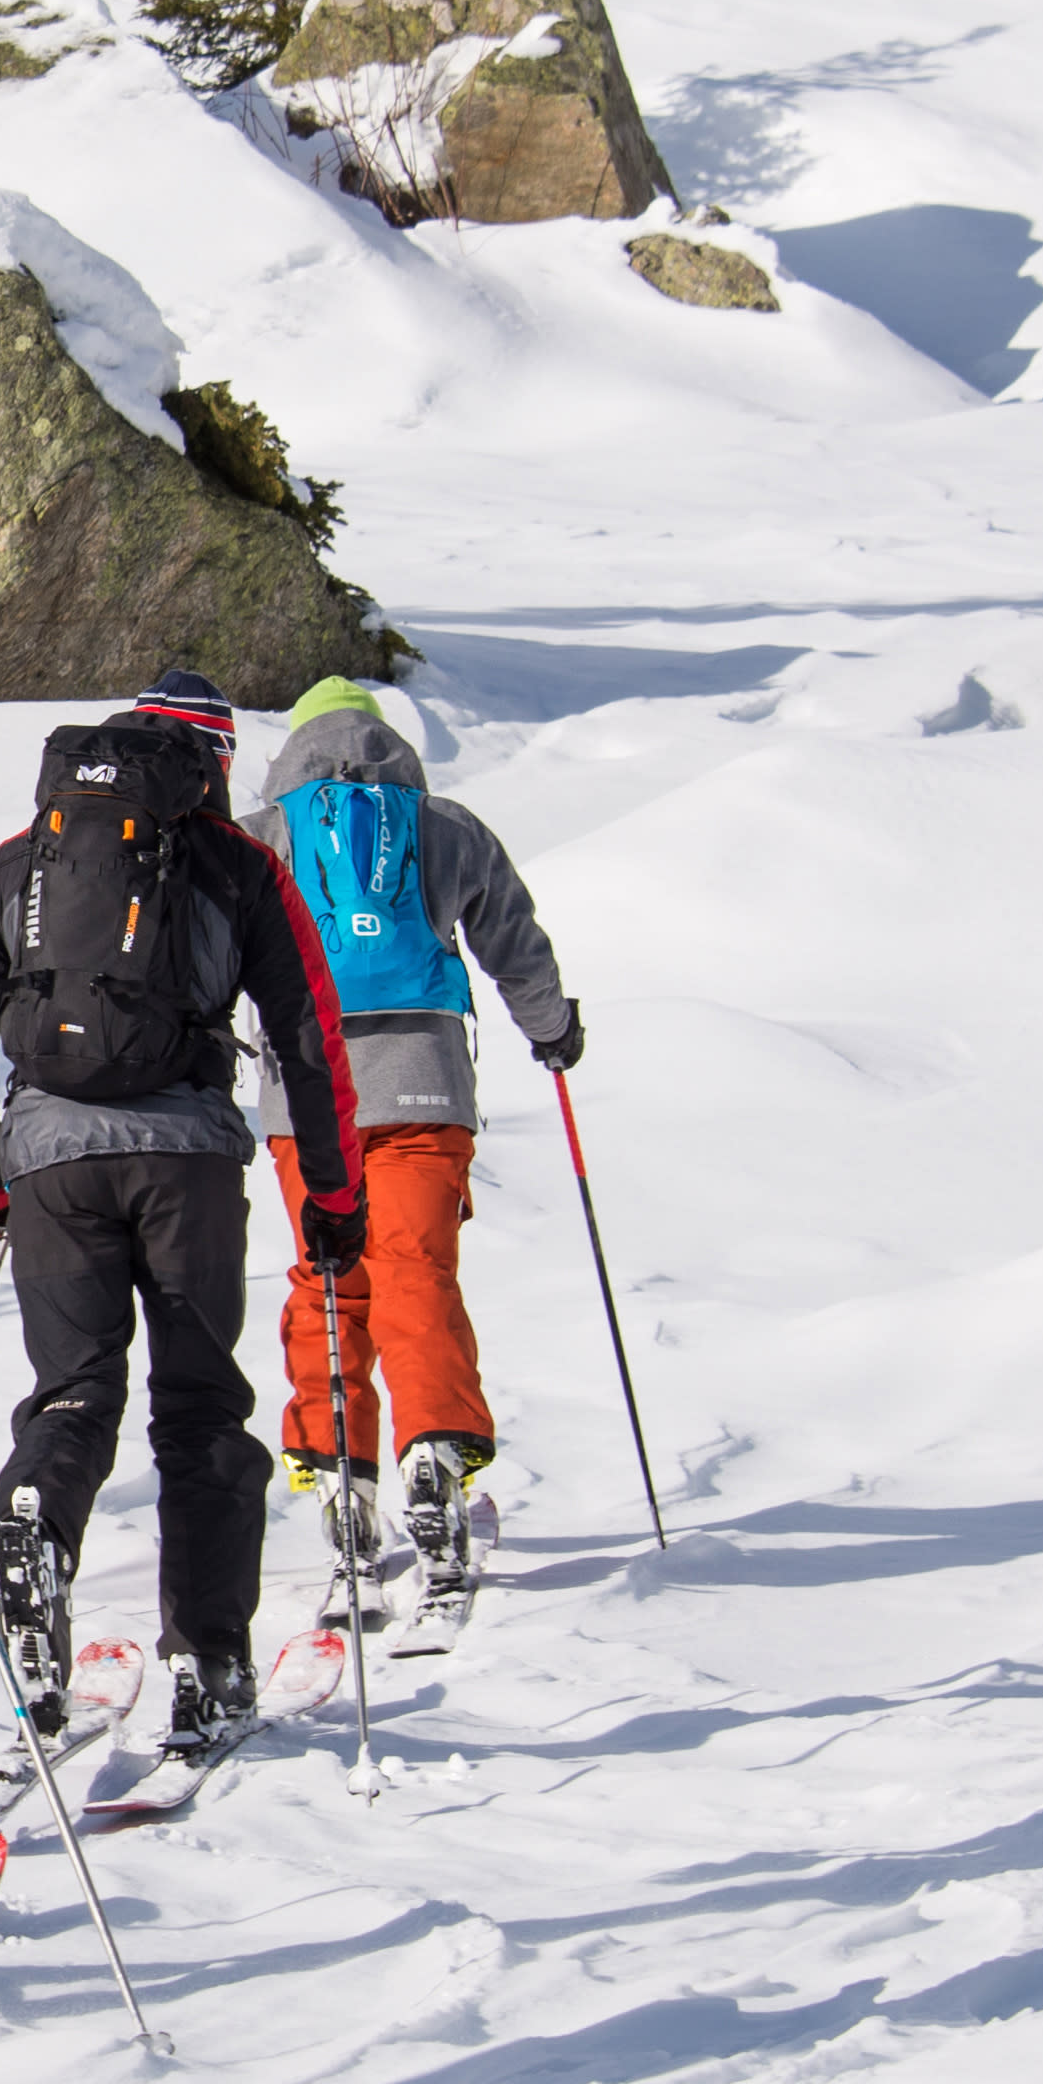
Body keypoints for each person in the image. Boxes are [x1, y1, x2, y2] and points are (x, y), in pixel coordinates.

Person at [0, 673, 363, 1756]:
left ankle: (34, 1518)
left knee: (73, 1395)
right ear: (207, 759)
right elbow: (309, 1031)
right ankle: (208, 1661)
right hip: (187, 1162)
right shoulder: (237, 862)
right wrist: (335, 1197)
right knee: (200, 1406)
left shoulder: (27, 853)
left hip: (48, 1162)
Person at [252, 678, 577, 1600]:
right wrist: (551, 1030)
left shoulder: (265, 831)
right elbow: (514, 940)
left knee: (330, 1275)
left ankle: (341, 1473)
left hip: (303, 1095)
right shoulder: (445, 825)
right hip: (426, 1085)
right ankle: (433, 1447)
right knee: (413, 1267)